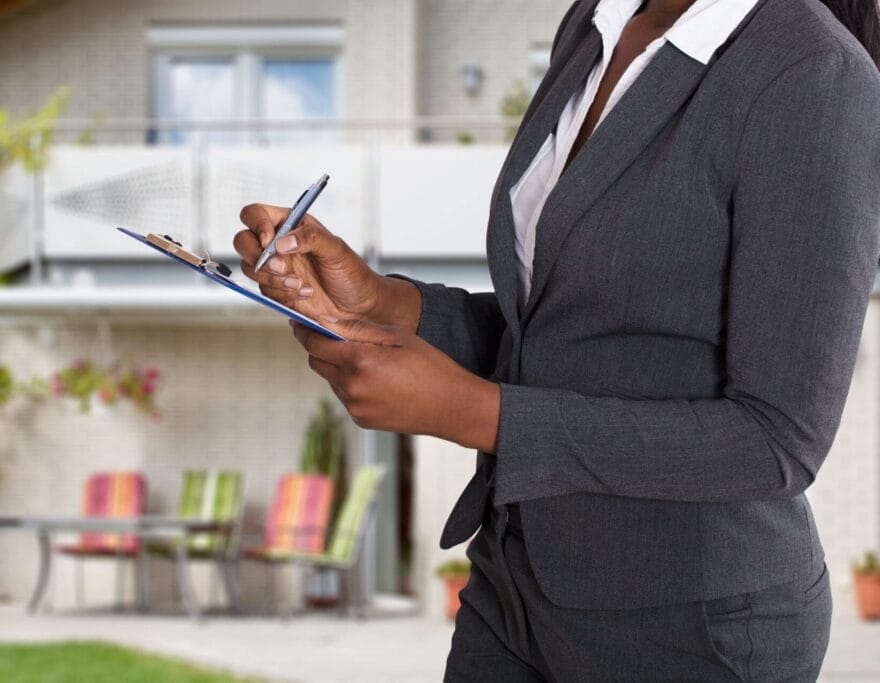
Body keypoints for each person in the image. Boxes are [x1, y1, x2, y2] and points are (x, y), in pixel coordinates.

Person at [234, 0, 880, 679]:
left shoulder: (816, 75)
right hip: (515, 587)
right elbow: (563, 330)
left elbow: (774, 439)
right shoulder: (596, 24)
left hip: (691, 625)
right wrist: (386, 304)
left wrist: (471, 412)